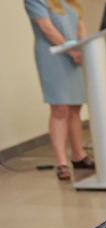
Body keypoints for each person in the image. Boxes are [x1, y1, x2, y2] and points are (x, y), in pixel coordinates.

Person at [25, 0, 94, 181]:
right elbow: (46, 28)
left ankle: (79, 155)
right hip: (53, 57)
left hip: (74, 56)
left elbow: (80, 26)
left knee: (75, 107)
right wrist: (71, 51)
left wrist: (82, 47)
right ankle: (62, 162)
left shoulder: (70, 2)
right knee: (60, 107)